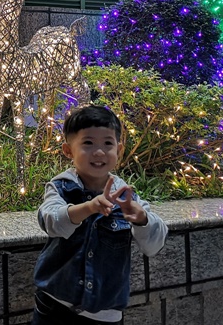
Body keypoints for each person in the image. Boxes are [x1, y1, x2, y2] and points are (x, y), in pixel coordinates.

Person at [32, 105, 168, 324]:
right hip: (55, 307)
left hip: (106, 314)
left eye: (108, 143)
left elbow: (154, 245)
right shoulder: (62, 187)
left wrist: (142, 219)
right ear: (68, 151)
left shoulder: (126, 196)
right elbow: (50, 220)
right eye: (88, 143)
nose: (99, 152)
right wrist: (88, 208)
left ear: (119, 149)